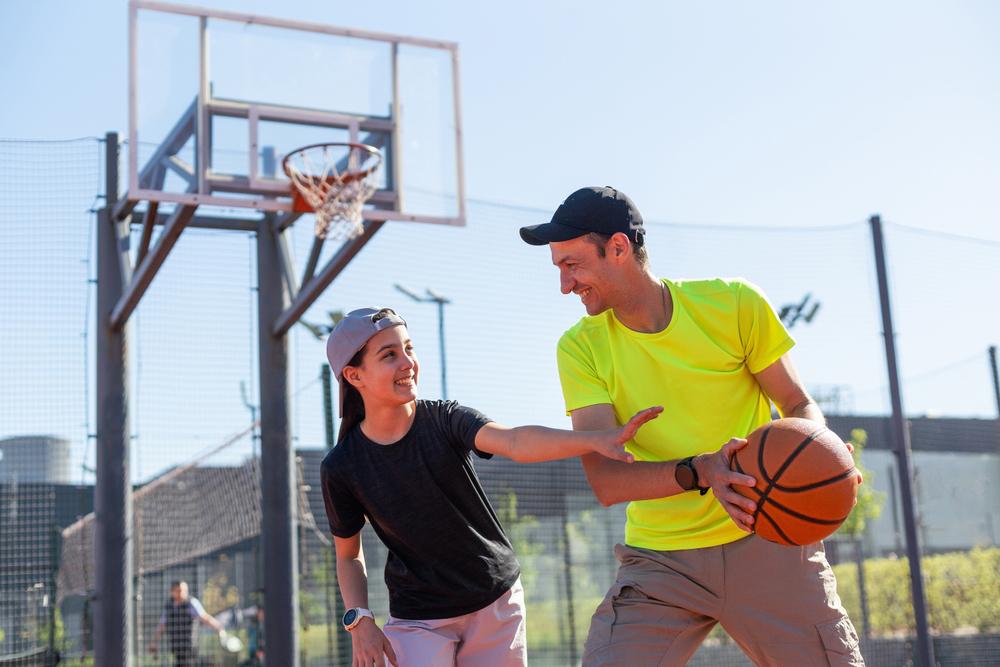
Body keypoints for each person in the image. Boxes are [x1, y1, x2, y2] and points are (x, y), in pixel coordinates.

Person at [519, 186, 865, 666]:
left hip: (766, 541)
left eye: (571, 265)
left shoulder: (735, 305)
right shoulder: (579, 348)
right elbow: (607, 481)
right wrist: (702, 471)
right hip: (662, 562)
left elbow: (797, 403)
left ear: (618, 248)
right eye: (558, 268)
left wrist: (821, 450)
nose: (564, 285)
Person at [320, 307, 662, 667]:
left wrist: (596, 440)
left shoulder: (445, 419)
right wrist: (359, 621)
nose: (408, 362)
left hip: (494, 600)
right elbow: (347, 554)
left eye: (409, 348)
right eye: (389, 355)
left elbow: (514, 441)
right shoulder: (341, 467)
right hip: (419, 618)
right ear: (354, 375)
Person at [148, 580, 226, 666]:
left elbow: (204, 617)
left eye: (185, 590)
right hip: (175, 645)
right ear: (172, 592)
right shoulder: (169, 606)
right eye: (180, 591)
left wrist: (219, 627)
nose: (183, 593)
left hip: (189, 645)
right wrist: (154, 642)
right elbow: (162, 626)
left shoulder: (191, 603)